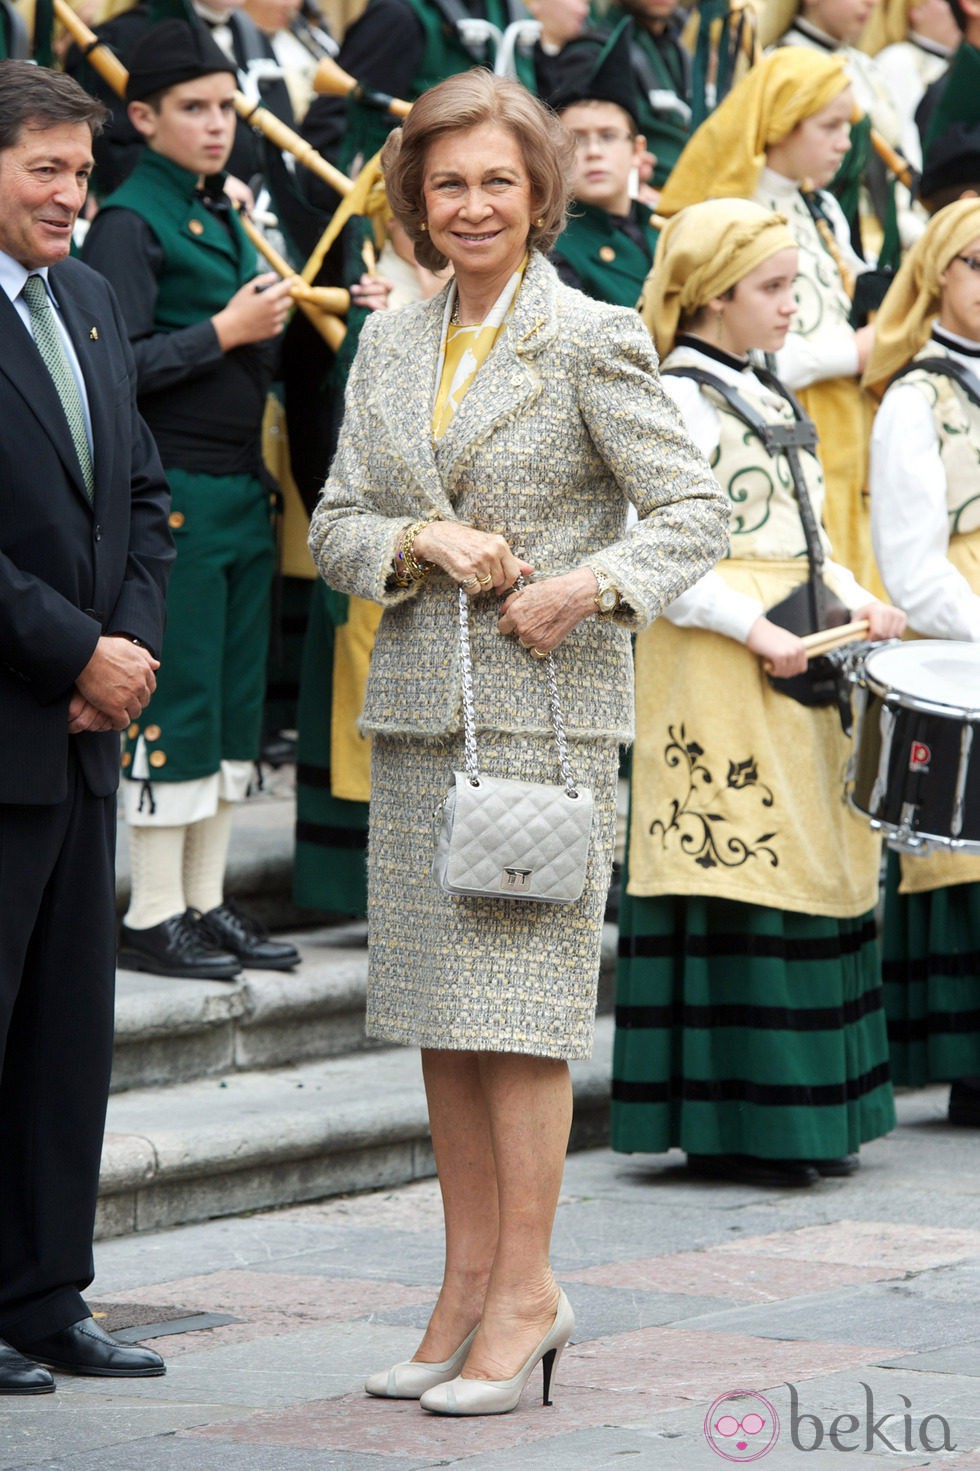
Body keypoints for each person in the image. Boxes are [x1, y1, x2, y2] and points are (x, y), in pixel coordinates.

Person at [307, 68, 728, 1415]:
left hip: (546, 724)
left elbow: (693, 512)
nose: (474, 205)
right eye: (449, 185)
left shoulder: (596, 333)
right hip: (424, 719)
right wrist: (417, 537)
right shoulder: (389, 337)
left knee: (520, 1023)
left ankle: (530, 1290)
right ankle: (464, 1288)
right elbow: (332, 526)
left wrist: (585, 587)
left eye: (497, 181)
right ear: (415, 201)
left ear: (540, 191)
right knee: (443, 1023)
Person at [610, 198, 905, 1188]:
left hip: (796, 663)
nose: (791, 306)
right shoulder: (670, 400)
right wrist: (754, 628)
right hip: (713, 670)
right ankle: (743, 1120)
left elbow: (806, 538)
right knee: (738, 860)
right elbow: (651, 549)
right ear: (709, 296)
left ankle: (811, 1110)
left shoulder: (765, 391)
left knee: (806, 857)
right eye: (773, 289)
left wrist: (863, 604)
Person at [0, 60, 173, 1392]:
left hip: (85, 737)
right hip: (10, 718)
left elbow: (148, 498)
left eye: (82, 169)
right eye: (44, 168)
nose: (74, 193)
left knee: (68, 1037)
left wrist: (131, 653)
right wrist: (73, 650)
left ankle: (44, 1291)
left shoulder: (96, 298)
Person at [82, 20, 301, 980]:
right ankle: (155, 909)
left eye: (226, 109)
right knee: (178, 697)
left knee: (230, 702)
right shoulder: (132, 220)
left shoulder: (218, 208)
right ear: (143, 116)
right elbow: (110, 367)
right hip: (172, 490)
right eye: (194, 110)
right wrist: (223, 330)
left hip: (234, 488)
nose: (218, 126)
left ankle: (208, 901)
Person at [657, 47, 882, 592]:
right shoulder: (735, 213)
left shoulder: (821, 207)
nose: (844, 142)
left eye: (846, 126)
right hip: (776, 414)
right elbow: (738, 348)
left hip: (847, 412)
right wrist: (854, 352)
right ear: (782, 123)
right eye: (829, 126)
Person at [864, 197, 980, 1126]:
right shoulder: (916, 397)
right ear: (939, 274)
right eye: (977, 262)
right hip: (961, 642)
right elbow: (912, 560)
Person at [549, 28, 658, 307]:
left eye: (608, 136)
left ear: (637, 150)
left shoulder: (667, 233)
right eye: (576, 139)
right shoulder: (551, 251)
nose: (594, 152)